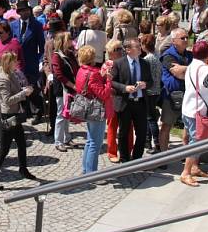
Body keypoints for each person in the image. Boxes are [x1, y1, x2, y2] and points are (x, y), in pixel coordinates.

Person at [0, 52, 37, 191]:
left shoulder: (11, 74)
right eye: (14, 61)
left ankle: (23, 169)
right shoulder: (3, 79)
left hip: (15, 114)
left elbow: (15, 91)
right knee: (4, 150)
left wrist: (24, 90)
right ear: (8, 62)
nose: (17, 63)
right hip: (8, 117)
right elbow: (7, 101)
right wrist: (23, 94)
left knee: (21, 143)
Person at [180, 40, 208, 187]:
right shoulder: (206, 70)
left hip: (188, 108)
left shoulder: (191, 66)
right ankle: (186, 172)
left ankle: (194, 167)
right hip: (198, 111)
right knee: (196, 142)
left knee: (193, 138)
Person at [110, 38, 153, 162]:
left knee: (141, 133)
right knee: (123, 133)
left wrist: (145, 84)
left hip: (140, 102)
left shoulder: (145, 63)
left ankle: (137, 159)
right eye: (137, 47)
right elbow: (112, 82)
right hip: (125, 103)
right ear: (128, 50)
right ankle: (125, 159)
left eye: (140, 46)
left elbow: (151, 82)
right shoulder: (118, 63)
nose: (140, 48)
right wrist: (125, 88)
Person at [75, 45, 113, 174]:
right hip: (95, 110)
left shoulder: (81, 70)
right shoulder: (93, 73)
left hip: (87, 108)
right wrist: (108, 80)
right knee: (95, 143)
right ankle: (92, 174)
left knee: (90, 140)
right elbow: (103, 93)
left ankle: (86, 170)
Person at [160, 28, 192, 153]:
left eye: (186, 38)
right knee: (167, 125)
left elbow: (185, 72)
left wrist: (186, 69)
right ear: (174, 41)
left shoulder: (189, 54)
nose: (186, 40)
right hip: (171, 96)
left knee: (188, 125)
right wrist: (192, 70)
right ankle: (163, 156)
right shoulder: (168, 55)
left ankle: (186, 153)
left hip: (188, 93)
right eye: (182, 38)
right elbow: (178, 74)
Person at [51, 31, 78, 152]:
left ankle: (67, 138)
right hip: (62, 89)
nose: (71, 41)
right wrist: (72, 85)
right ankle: (58, 141)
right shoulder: (56, 56)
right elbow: (59, 75)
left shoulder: (70, 54)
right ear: (62, 42)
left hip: (71, 88)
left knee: (67, 114)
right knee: (61, 114)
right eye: (69, 39)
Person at [140, 34, 162, 154]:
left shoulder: (147, 59)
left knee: (150, 118)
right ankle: (147, 141)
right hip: (157, 89)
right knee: (150, 116)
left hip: (149, 91)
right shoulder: (157, 56)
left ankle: (157, 144)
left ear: (144, 45)